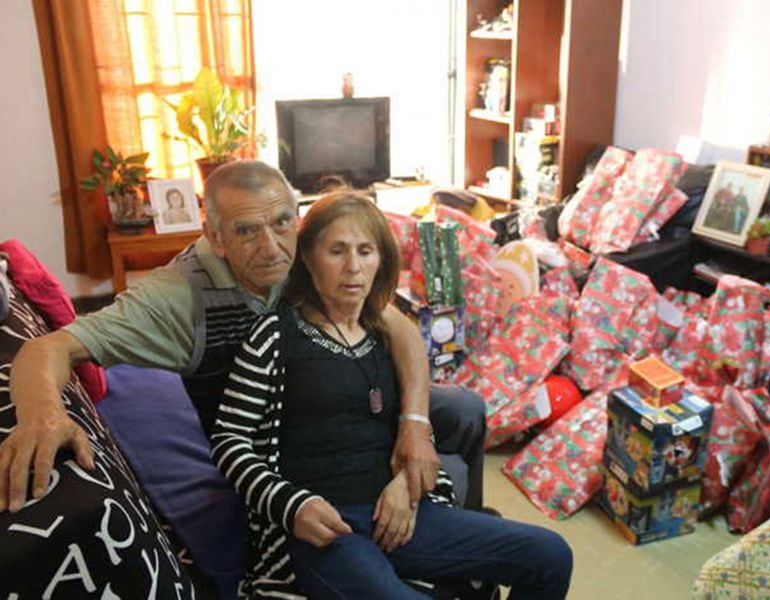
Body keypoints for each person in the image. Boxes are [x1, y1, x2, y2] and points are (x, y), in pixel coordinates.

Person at [0, 160, 486, 519]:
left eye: (281, 224)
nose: (272, 248)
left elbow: (394, 322)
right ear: (214, 235)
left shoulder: (307, 252)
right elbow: (49, 347)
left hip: (340, 397)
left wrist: (416, 422)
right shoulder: (177, 297)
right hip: (271, 443)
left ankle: (464, 539)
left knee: (464, 410)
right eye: (247, 232)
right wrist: (43, 413)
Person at [211, 190, 572, 598]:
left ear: (381, 260)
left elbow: (414, 430)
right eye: (336, 251)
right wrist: (292, 506)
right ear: (308, 258)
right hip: (326, 533)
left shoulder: (385, 335)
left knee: (550, 554)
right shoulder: (275, 337)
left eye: (366, 251)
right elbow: (228, 441)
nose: (353, 268)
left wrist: (408, 486)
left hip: (400, 514)